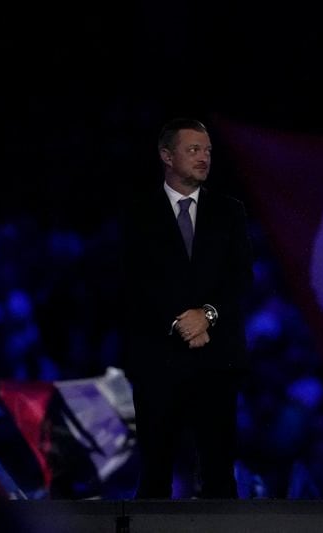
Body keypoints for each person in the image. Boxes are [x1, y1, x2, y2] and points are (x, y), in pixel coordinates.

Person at [121, 118, 253, 498]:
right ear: (166, 155)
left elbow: (241, 276)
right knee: (156, 473)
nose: (203, 158)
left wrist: (207, 315)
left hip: (217, 358)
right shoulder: (139, 213)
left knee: (219, 473)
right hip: (158, 359)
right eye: (193, 150)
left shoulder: (230, 211)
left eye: (207, 151)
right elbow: (134, 279)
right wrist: (181, 320)